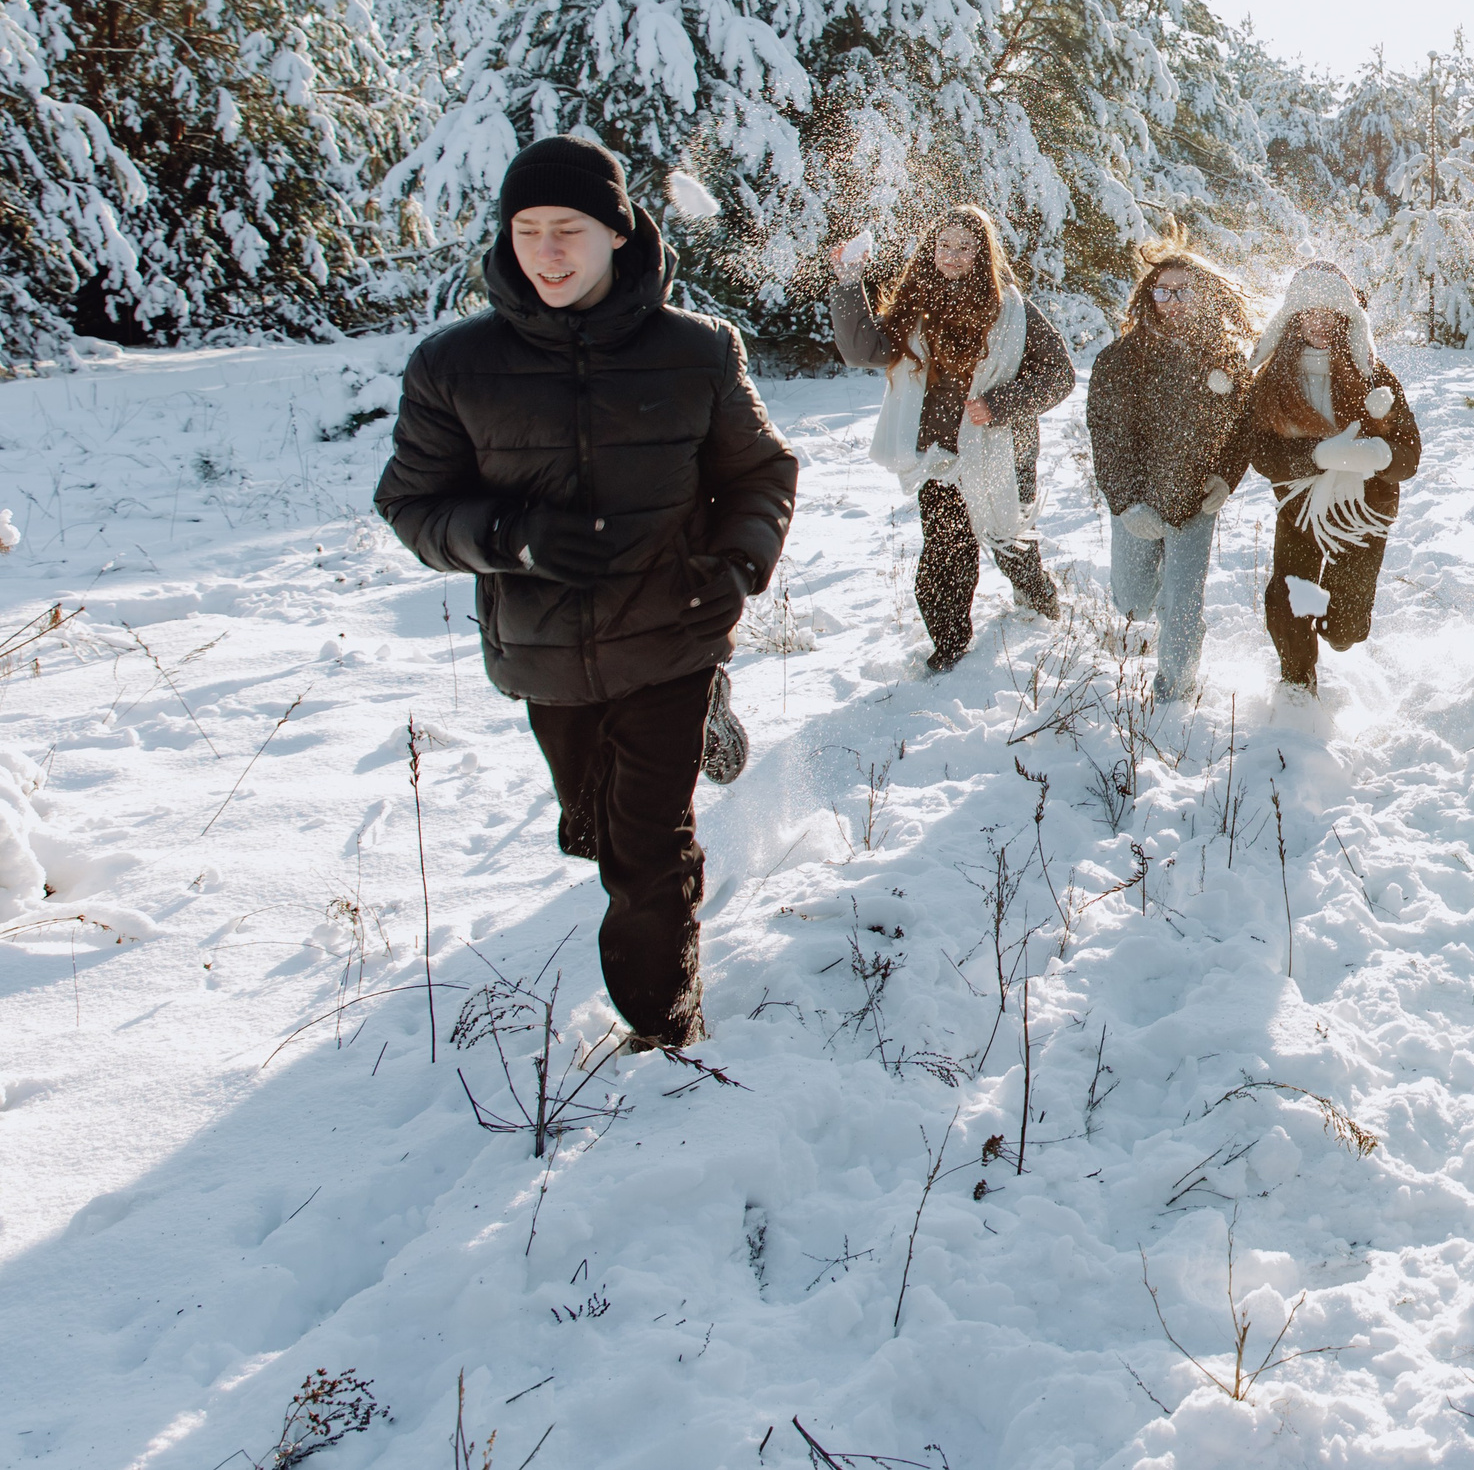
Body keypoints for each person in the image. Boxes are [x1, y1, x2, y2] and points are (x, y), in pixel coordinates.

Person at [375, 136, 799, 1051]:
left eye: (568, 228)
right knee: (595, 831)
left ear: (616, 232)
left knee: (646, 852)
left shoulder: (698, 351)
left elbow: (761, 473)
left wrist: (736, 569)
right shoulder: (453, 366)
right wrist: (510, 536)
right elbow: (411, 505)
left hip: (676, 630)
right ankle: (699, 735)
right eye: (526, 229)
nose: (547, 251)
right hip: (547, 653)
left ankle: (665, 1031)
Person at [832, 206, 1072, 673]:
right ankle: (949, 649)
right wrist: (847, 282)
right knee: (945, 553)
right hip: (940, 457)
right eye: (944, 245)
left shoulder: (1013, 310)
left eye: (966, 247)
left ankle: (1040, 605)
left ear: (983, 253)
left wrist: (1000, 404)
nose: (953, 255)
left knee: (1011, 545)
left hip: (1001, 451)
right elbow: (864, 350)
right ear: (931, 249)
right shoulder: (916, 305)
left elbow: (1059, 374)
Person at [1218, 261, 1422, 701]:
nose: (1320, 322)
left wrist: (1378, 455)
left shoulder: (1374, 374)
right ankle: (1297, 691)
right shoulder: (1273, 380)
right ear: (1293, 317)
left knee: (1346, 629)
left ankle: (1339, 632)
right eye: (1310, 311)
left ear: (1347, 316)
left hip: (1364, 513)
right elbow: (1262, 452)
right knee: (1288, 604)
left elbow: (1409, 455)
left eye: (1330, 312)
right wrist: (1318, 455)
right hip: (1301, 509)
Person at [1086, 238, 1257, 700]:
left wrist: (1226, 477)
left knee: (1182, 602)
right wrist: (1125, 504)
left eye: (1184, 291)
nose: (1173, 301)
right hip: (1137, 499)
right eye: (1164, 291)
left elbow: (1242, 429)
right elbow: (1108, 439)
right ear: (1150, 295)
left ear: (1204, 296)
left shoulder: (1225, 359)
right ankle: (1151, 592)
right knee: (1134, 601)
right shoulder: (1118, 360)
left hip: (1194, 500)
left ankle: (1174, 688)